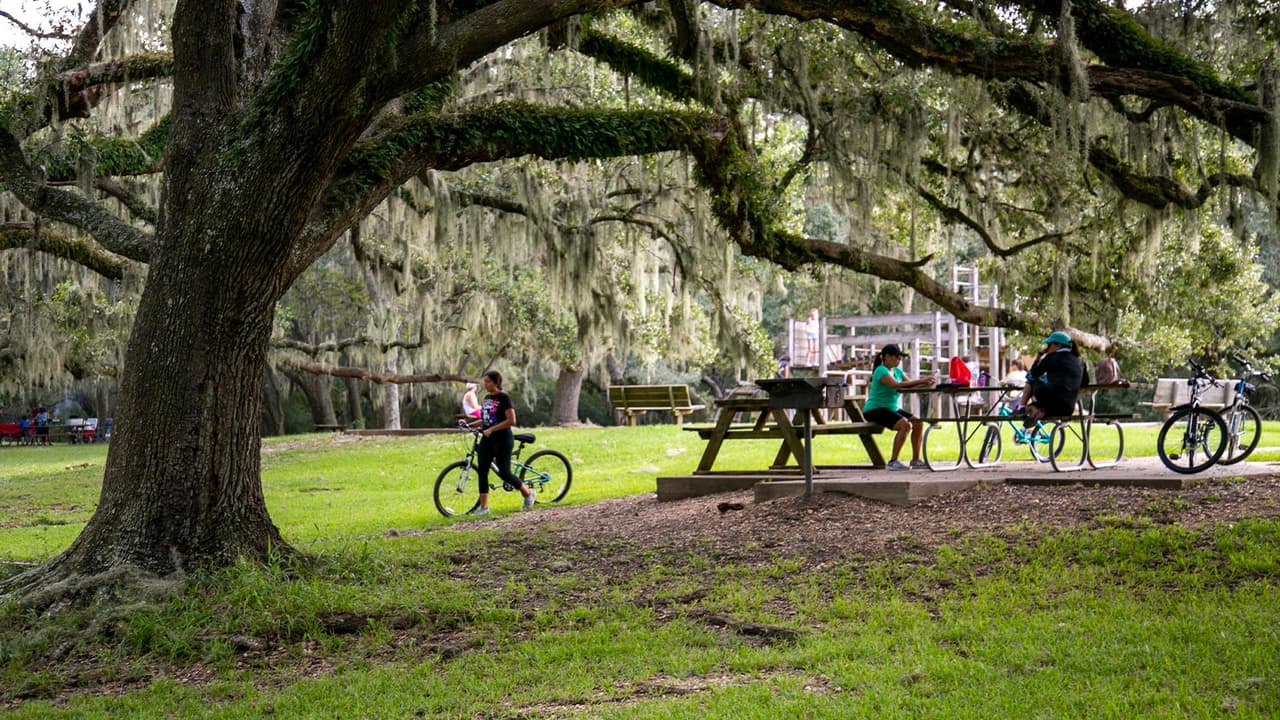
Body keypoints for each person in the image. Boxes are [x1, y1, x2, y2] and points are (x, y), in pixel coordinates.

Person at [862, 344, 937, 471]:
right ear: (887, 357)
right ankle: (893, 461)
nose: (899, 360)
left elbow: (909, 385)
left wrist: (927, 385)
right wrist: (921, 381)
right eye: (897, 357)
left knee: (918, 423)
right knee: (905, 425)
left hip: (891, 408)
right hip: (874, 409)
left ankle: (915, 460)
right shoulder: (881, 370)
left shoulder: (897, 371)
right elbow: (897, 385)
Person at [470, 370, 534, 515]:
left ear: (496, 382)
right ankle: (484, 508)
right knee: (482, 472)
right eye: (484, 381)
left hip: (502, 440)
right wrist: (470, 424)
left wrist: (492, 429)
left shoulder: (504, 398)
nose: (485, 384)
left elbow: (511, 421)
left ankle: (528, 494)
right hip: (487, 439)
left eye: (488, 381)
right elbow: (486, 419)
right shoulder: (486, 398)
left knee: (504, 473)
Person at [1020, 331, 1087, 423]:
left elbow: (1033, 374)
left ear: (1058, 345)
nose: (1047, 348)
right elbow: (1084, 382)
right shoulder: (1081, 361)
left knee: (1032, 380)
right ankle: (1037, 410)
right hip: (1067, 409)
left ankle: (1022, 407)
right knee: (1051, 394)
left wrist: (1038, 357)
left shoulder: (1052, 357)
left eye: (1049, 345)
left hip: (1049, 403)